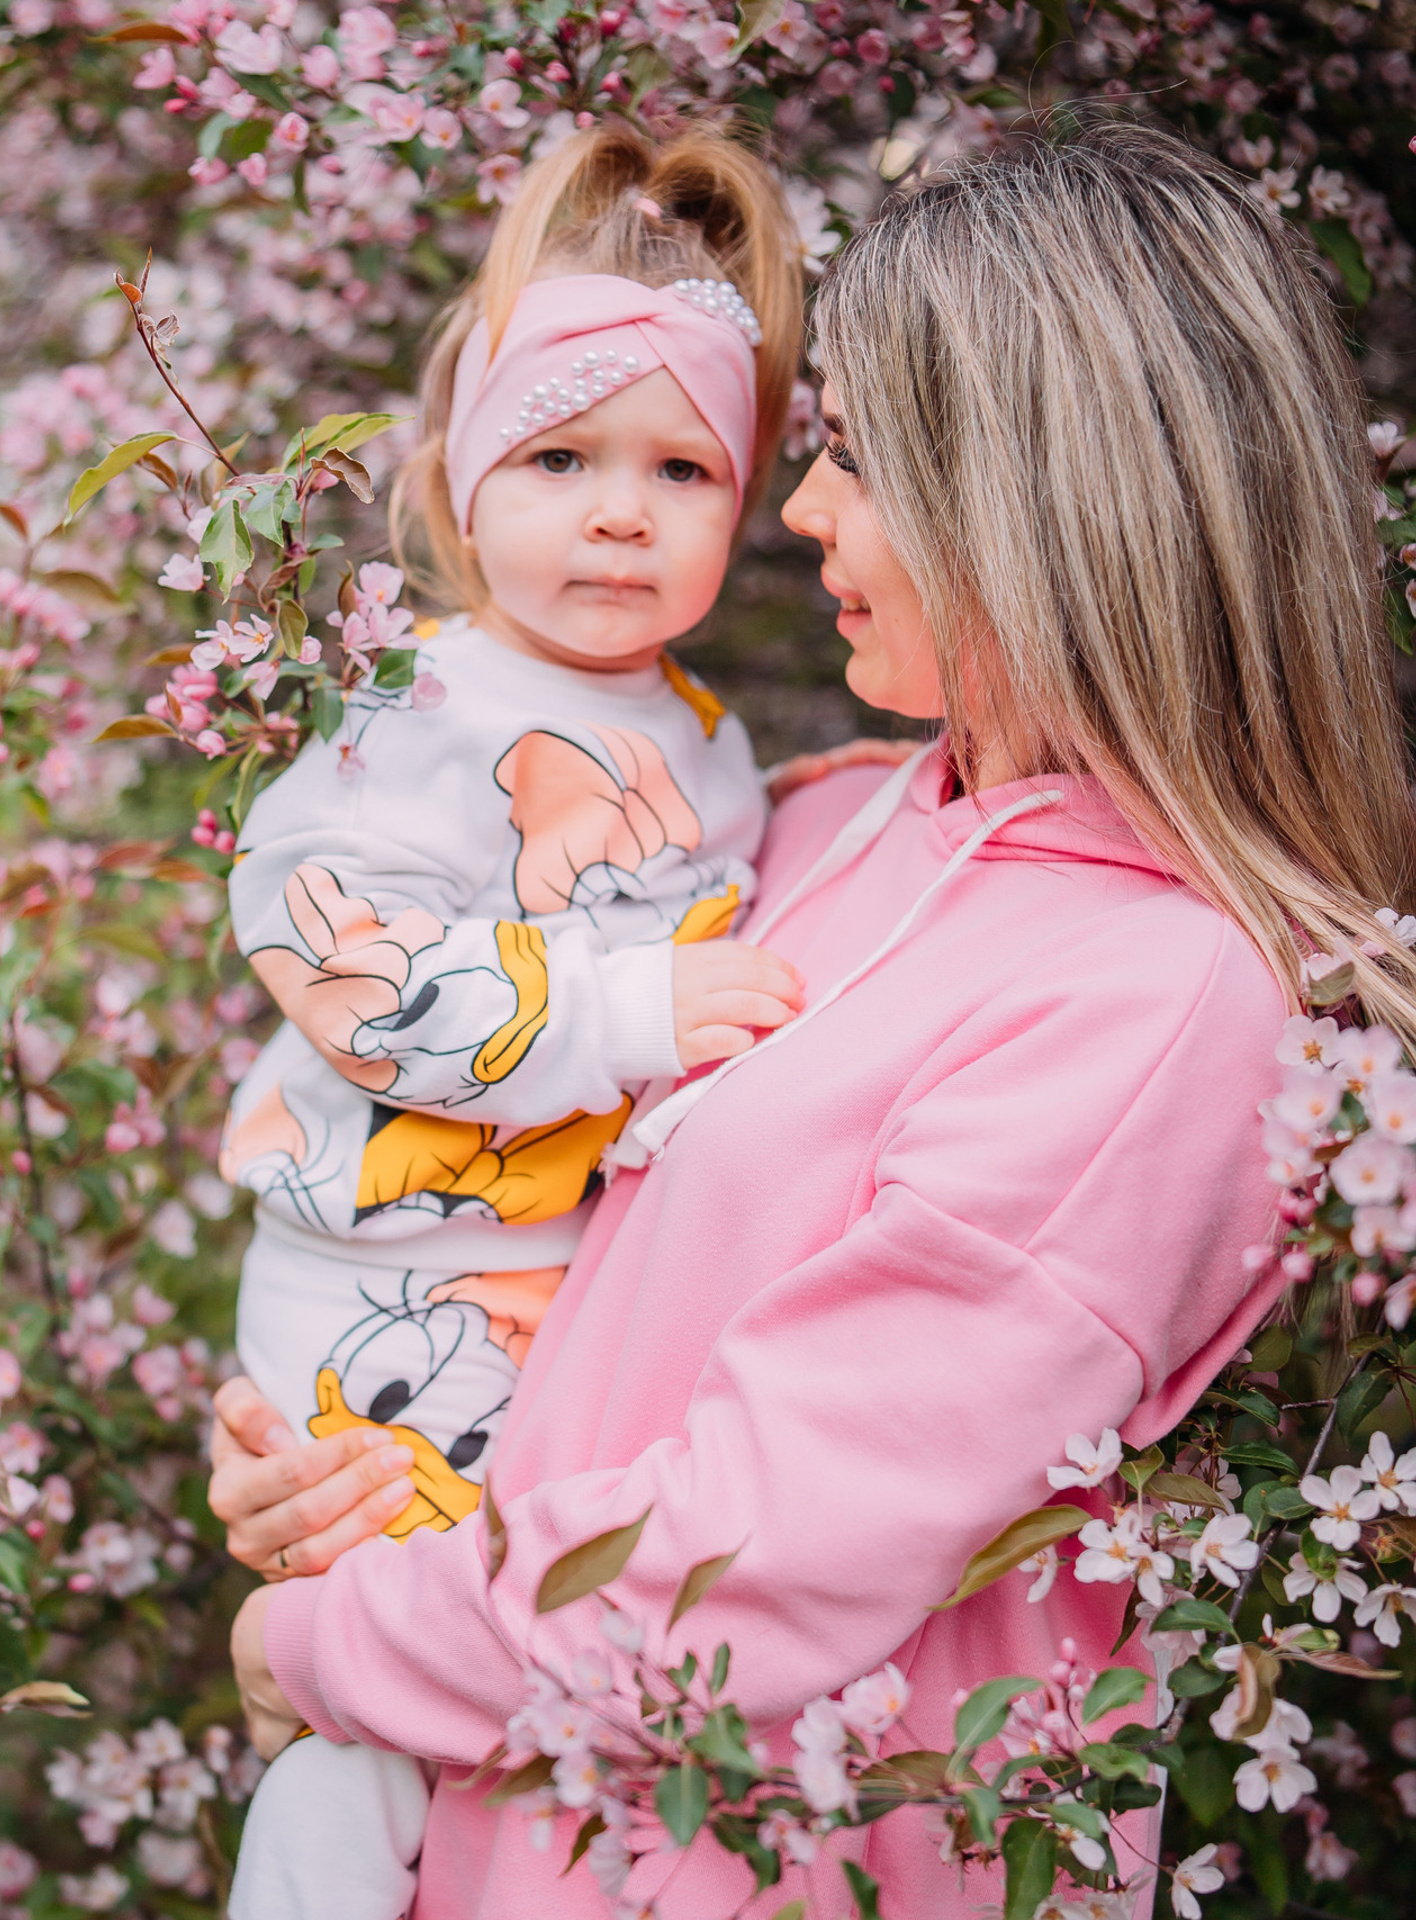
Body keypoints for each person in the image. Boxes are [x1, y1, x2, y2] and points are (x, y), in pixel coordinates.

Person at [209, 119, 1416, 1917]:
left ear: (1024, 496)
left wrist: (328, 1642)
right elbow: (563, 1219)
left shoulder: (1159, 1005)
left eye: (850, 457)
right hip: (490, 1834)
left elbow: (750, 1556)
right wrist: (355, 1444)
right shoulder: (833, 818)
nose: (796, 514)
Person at [218, 125, 902, 1919]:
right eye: (561, 456)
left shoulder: (706, 738)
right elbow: (340, 965)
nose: (620, 508)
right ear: (456, 482)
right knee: (372, 1697)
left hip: (544, 1308)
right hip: (389, 1281)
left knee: (508, 1695)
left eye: (681, 466)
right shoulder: (422, 707)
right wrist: (623, 1008)